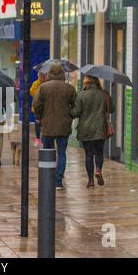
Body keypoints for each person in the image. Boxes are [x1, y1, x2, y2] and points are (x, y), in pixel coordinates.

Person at [33, 62, 77, 190]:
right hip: (64, 125)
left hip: (48, 125)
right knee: (62, 153)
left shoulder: (43, 87)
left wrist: (39, 116)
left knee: (48, 152)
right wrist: (71, 115)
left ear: (49, 73)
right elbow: (77, 105)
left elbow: (36, 105)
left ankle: (48, 178)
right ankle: (58, 181)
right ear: (63, 73)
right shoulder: (69, 88)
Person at [72, 75, 115, 189]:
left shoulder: (81, 95)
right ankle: (98, 170)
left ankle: (90, 180)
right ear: (96, 82)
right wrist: (108, 97)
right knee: (99, 152)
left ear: (86, 83)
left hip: (85, 130)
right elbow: (111, 109)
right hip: (100, 128)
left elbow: (75, 113)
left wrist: (69, 109)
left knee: (89, 155)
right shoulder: (103, 94)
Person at [30, 72, 47, 147]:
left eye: (43, 75)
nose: (42, 77)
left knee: (45, 124)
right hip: (37, 108)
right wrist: (40, 92)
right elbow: (32, 92)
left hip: (46, 108)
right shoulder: (36, 83)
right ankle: (37, 138)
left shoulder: (47, 83)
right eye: (40, 75)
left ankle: (43, 138)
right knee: (37, 124)